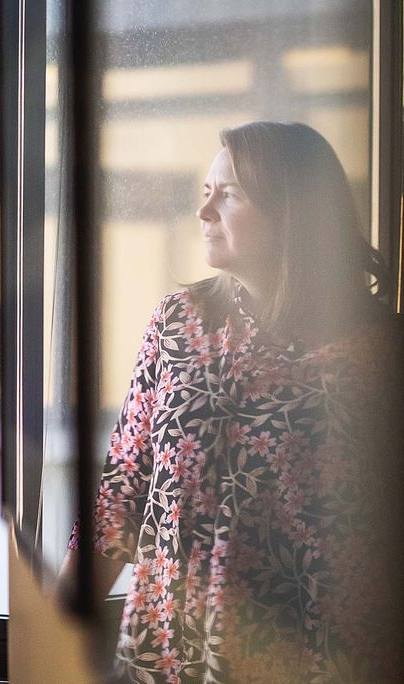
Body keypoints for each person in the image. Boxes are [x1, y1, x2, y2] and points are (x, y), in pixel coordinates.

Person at [62, 121, 403, 682]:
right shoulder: (179, 320)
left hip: (321, 654)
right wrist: (59, 637)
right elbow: (123, 486)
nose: (204, 213)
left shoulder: (377, 351)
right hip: (171, 651)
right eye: (205, 193)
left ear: (292, 212)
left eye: (229, 195)